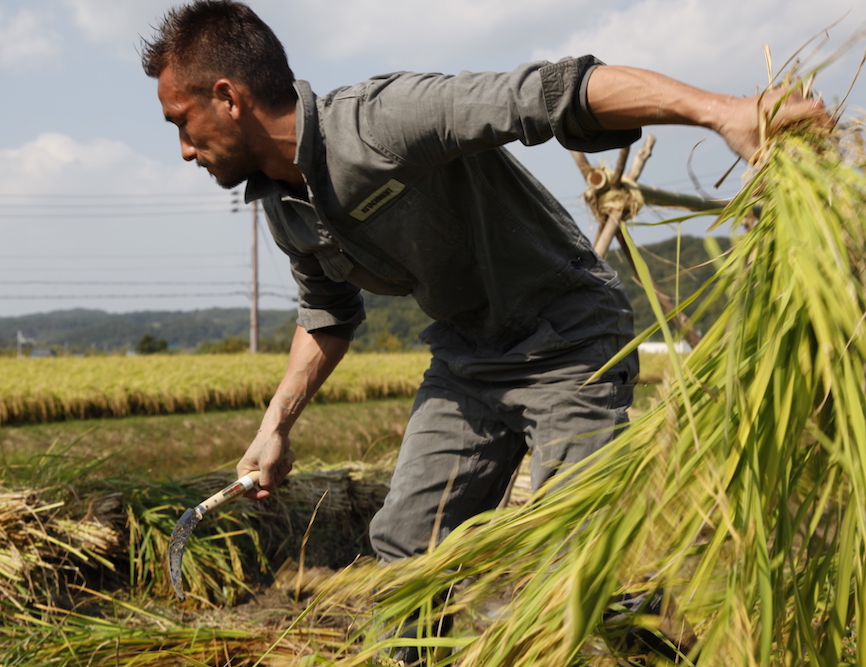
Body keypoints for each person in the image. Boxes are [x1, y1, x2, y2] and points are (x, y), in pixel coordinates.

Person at [141, 0, 827, 660]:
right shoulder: (283, 202)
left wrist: (724, 112)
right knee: (406, 553)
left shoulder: (380, 121)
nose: (183, 150)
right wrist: (276, 424)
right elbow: (327, 312)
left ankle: (658, 647)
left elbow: (554, 93)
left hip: (566, 342)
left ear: (228, 98)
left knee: (578, 562)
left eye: (181, 122)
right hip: (467, 359)